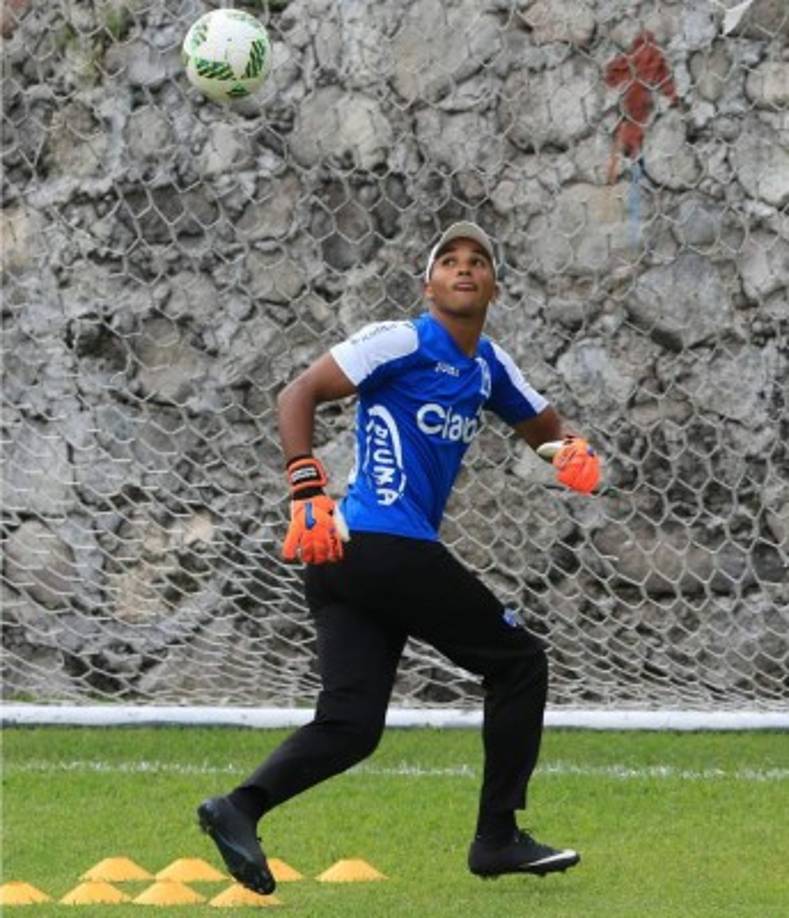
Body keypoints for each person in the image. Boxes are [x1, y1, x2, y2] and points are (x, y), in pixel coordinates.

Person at [197, 222, 601, 895]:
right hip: (374, 543)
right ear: (429, 284)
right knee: (519, 663)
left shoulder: (487, 366)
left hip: (352, 565)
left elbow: (544, 431)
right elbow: (296, 394)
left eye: (478, 261)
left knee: (350, 727)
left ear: (493, 285)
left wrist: (570, 455)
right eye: (449, 261)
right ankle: (496, 838)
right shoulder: (403, 339)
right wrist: (305, 486)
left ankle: (238, 808)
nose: (464, 269)